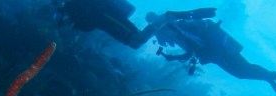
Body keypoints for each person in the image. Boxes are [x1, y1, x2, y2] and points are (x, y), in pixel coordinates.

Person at [150, 16, 276, 96]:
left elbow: (191, 49)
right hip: (220, 53)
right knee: (243, 71)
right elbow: (192, 50)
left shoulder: (178, 28)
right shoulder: (178, 28)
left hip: (221, 52)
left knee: (243, 70)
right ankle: (270, 77)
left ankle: (272, 76)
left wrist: (173, 57)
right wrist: (173, 57)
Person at [57, 0, 216, 49]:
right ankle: (168, 17)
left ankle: (168, 16)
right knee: (136, 42)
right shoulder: (70, 6)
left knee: (137, 40)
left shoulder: (71, 5)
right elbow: (85, 25)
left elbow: (86, 25)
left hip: (108, 19)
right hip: (107, 22)